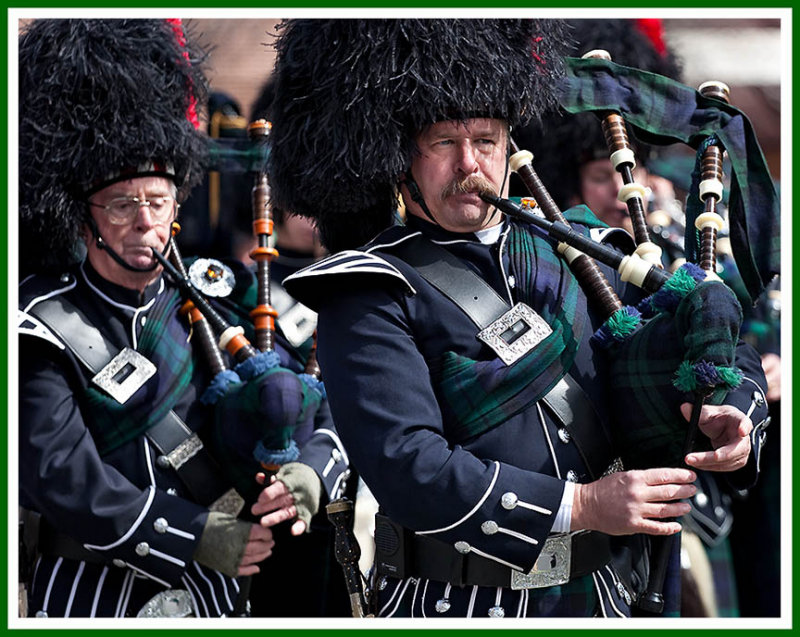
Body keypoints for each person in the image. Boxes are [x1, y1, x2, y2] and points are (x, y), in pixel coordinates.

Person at [264, 19, 774, 618]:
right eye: (443, 143)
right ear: (403, 157)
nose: (469, 164)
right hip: (461, 602)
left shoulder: (580, 245)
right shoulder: (370, 289)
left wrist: (736, 411)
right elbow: (407, 464)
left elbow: (702, 331)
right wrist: (580, 507)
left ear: (510, 144)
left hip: (609, 595)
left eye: (485, 140)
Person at [17, 19, 350, 618]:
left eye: (158, 199)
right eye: (123, 204)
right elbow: (57, 472)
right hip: (93, 598)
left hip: (219, 597)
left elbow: (328, 397)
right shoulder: (40, 320)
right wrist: (189, 534)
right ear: (84, 215)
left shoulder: (222, 289)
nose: (145, 220)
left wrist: (309, 473)